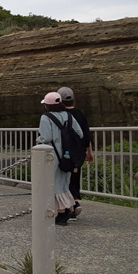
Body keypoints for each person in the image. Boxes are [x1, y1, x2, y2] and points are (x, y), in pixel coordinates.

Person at [37, 92, 83, 226]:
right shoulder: (69, 116)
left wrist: (38, 140)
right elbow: (79, 133)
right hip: (69, 156)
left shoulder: (46, 117)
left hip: (54, 156)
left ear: (47, 105)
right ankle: (70, 208)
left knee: (55, 184)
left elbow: (45, 138)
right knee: (64, 183)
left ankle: (61, 214)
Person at [58, 87, 94, 219]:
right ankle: (73, 203)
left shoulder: (61, 115)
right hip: (78, 154)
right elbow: (86, 135)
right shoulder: (80, 114)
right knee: (74, 178)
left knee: (62, 179)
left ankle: (69, 207)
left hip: (64, 153)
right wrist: (89, 152)